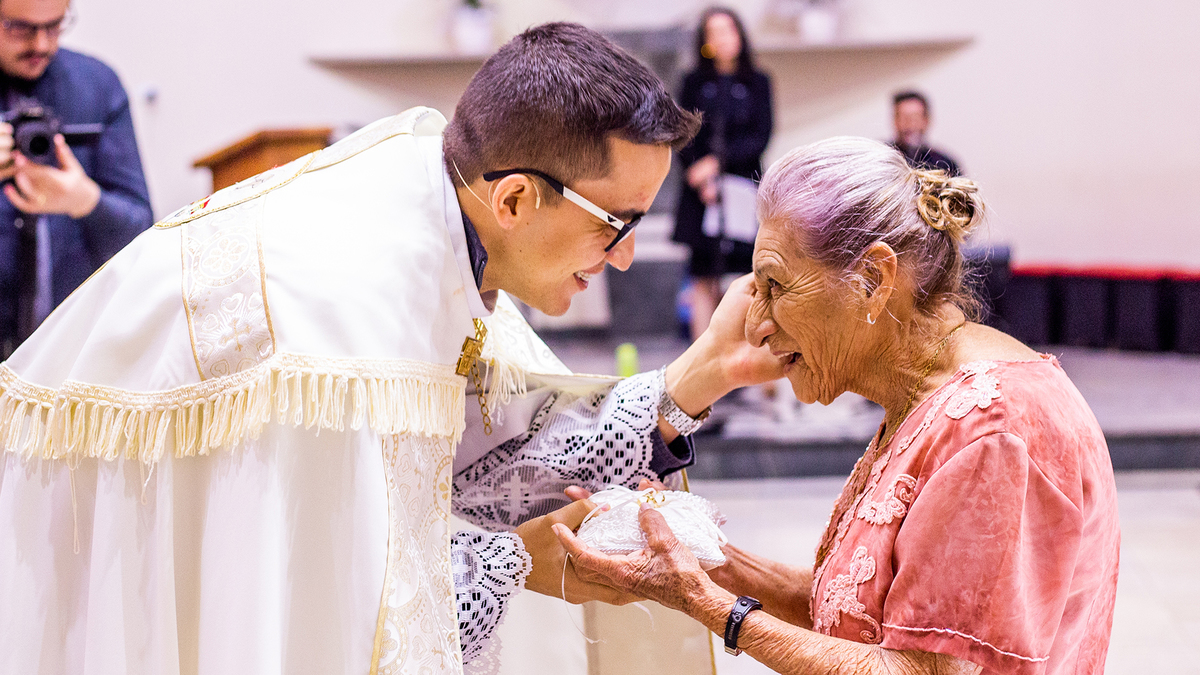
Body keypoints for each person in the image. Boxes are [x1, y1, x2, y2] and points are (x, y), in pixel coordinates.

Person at [0, 23, 784, 675]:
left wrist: (701, 374)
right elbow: (338, 600)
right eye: (617, 223)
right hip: (83, 556)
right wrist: (519, 559)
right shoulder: (341, 327)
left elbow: (486, 438)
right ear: (514, 198)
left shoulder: (440, 214)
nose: (626, 255)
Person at [558, 137, 1121, 675]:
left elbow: (920, 669)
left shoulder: (994, 429)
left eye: (775, 287)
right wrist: (703, 557)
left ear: (873, 279)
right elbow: (857, 614)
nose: (755, 327)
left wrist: (705, 603)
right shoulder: (927, 399)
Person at [0, 0, 152, 357]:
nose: (41, 44)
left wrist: (84, 201)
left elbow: (143, 234)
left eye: (55, 25)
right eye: (20, 28)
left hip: (76, 351)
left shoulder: (97, 86)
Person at [673, 6, 773, 341]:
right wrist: (700, 174)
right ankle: (702, 352)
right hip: (701, 192)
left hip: (742, 185)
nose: (721, 39)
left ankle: (746, 351)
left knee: (745, 273)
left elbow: (760, 136)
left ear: (740, 35)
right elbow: (682, 133)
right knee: (702, 274)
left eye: (727, 30)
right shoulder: (693, 82)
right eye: (712, 33)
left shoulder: (757, 82)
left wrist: (716, 164)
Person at [891, 90, 962, 176]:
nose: (910, 125)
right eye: (904, 118)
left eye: (915, 118)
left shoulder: (945, 164)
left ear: (926, 120)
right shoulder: (884, 160)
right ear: (894, 121)